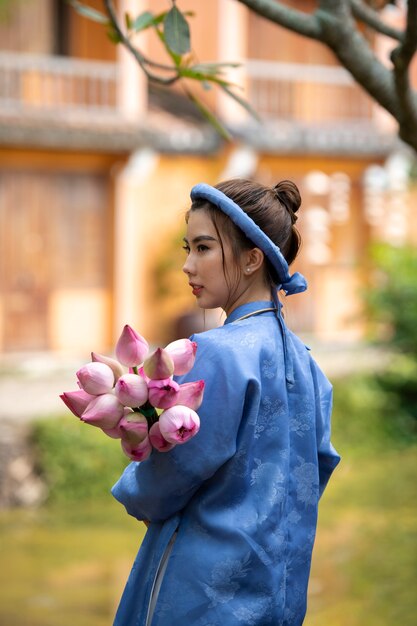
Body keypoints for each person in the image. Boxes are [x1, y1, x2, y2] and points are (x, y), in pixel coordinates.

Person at [111, 178, 340, 626]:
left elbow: (177, 470)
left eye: (202, 248)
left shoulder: (216, 352)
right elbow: (320, 462)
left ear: (253, 258)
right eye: (187, 248)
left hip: (202, 589)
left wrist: (136, 487)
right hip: (278, 586)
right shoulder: (308, 363)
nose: (187, 266)